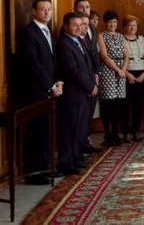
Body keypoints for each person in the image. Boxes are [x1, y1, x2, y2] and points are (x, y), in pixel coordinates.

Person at [16, 0, 63, 185]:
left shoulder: (48, 32)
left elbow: (53, 60)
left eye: (49, 9)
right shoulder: (29, 32)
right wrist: (50, 86)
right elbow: (33, 64)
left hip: (49, 90)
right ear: (33, 11)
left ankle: (44, 168)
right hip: (35, 91)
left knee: (45, 131)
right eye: (42, 9)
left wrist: (58, 81)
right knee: (35, 132)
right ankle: (33, 173)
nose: (46, 13)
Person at [56, 12, 98, 175]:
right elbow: (72, 71)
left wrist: (92, 84)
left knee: (80, 127)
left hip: (83, 92)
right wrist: (90, 86)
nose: (78, 27)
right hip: (73, 93)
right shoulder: (64, 45)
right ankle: (66, 163)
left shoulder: (79, 41)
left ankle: (76, 157)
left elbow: (87, 66)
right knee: (70, 129)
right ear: (66, 26)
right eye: (74, 25)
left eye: (80, 25)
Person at [97, 10, 129, 146]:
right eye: (110, 22)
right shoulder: (101, 35)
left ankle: (116, 133)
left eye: (115, 22)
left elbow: (126, 56)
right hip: (108, 70)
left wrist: (122, 70)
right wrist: (117, 70)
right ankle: (108, 134)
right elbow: (104, 56)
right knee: (108, 103)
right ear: (105, 23)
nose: (112, 24)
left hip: (121, 71)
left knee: (118, 104)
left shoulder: (121, 36)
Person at [74, 0, 101, 153]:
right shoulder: (75, 28)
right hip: (82, 80)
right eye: (81, 7)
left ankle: (86, 140)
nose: (84, 10)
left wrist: (97, 72)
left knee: (89, 113)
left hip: (93, 77)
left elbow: (93, 54)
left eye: (87, 7)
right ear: (75, 9)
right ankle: (82, 144)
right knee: (81, 116)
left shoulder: (92, 28)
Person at [121, 15, 144, 142]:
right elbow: (119, 59)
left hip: (141, 74)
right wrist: (127, 73)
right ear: (125, 27)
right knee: (125, 105)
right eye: (130, 25)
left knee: (138, 105)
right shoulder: (121, 39)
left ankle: (136, 131)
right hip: (127, 73)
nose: (132, 27)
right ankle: (126, 132)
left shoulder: (142, 39)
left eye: (135, 25)